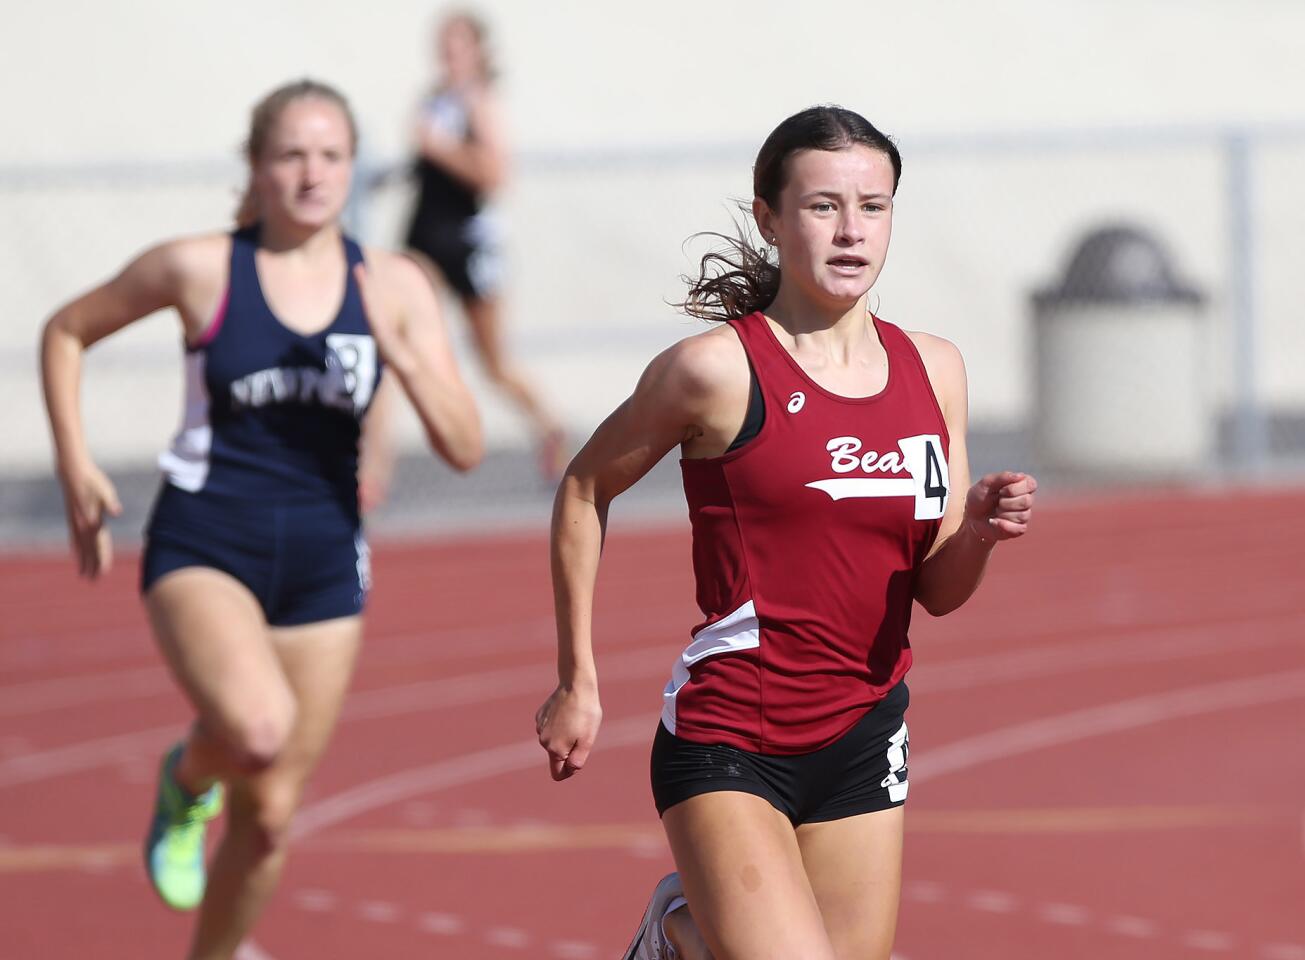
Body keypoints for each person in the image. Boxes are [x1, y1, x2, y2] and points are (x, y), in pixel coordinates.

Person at [534, 105, 1038, 960]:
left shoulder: (934, 368)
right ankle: (675, 930)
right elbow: (584, 488)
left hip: (864, 731)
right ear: (769, 218)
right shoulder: (715, 371)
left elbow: (937, 593)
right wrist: (576, 680)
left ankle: (687, 937)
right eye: (821, 206)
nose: (851, 231)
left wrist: (980, 532)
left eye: (871, 207)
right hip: (733, 735)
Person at [40, 79, 482, 960]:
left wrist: (407, 362)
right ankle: (185, 777)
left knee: (273, 815)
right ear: (256, 166)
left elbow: (466, 444)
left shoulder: (393, 283)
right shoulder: (202, 266)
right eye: (290, 154)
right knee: (256, 730)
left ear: (352, 168)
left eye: (330, 155)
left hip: (324, 562)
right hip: (206, 541)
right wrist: (76, 461)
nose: (312, 173)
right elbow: (66, 330)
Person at [399, 9, 564, 483]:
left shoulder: (480, 103)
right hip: (423, 244)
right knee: (392, 343)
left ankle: (551, 428)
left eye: (458, 45)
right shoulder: (434, 101)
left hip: (467, 247)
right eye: (443, 45)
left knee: (493, 363)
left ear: (478, 50)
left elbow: (495, 175)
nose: (448, 55)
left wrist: (441, 148)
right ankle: (372, 470)